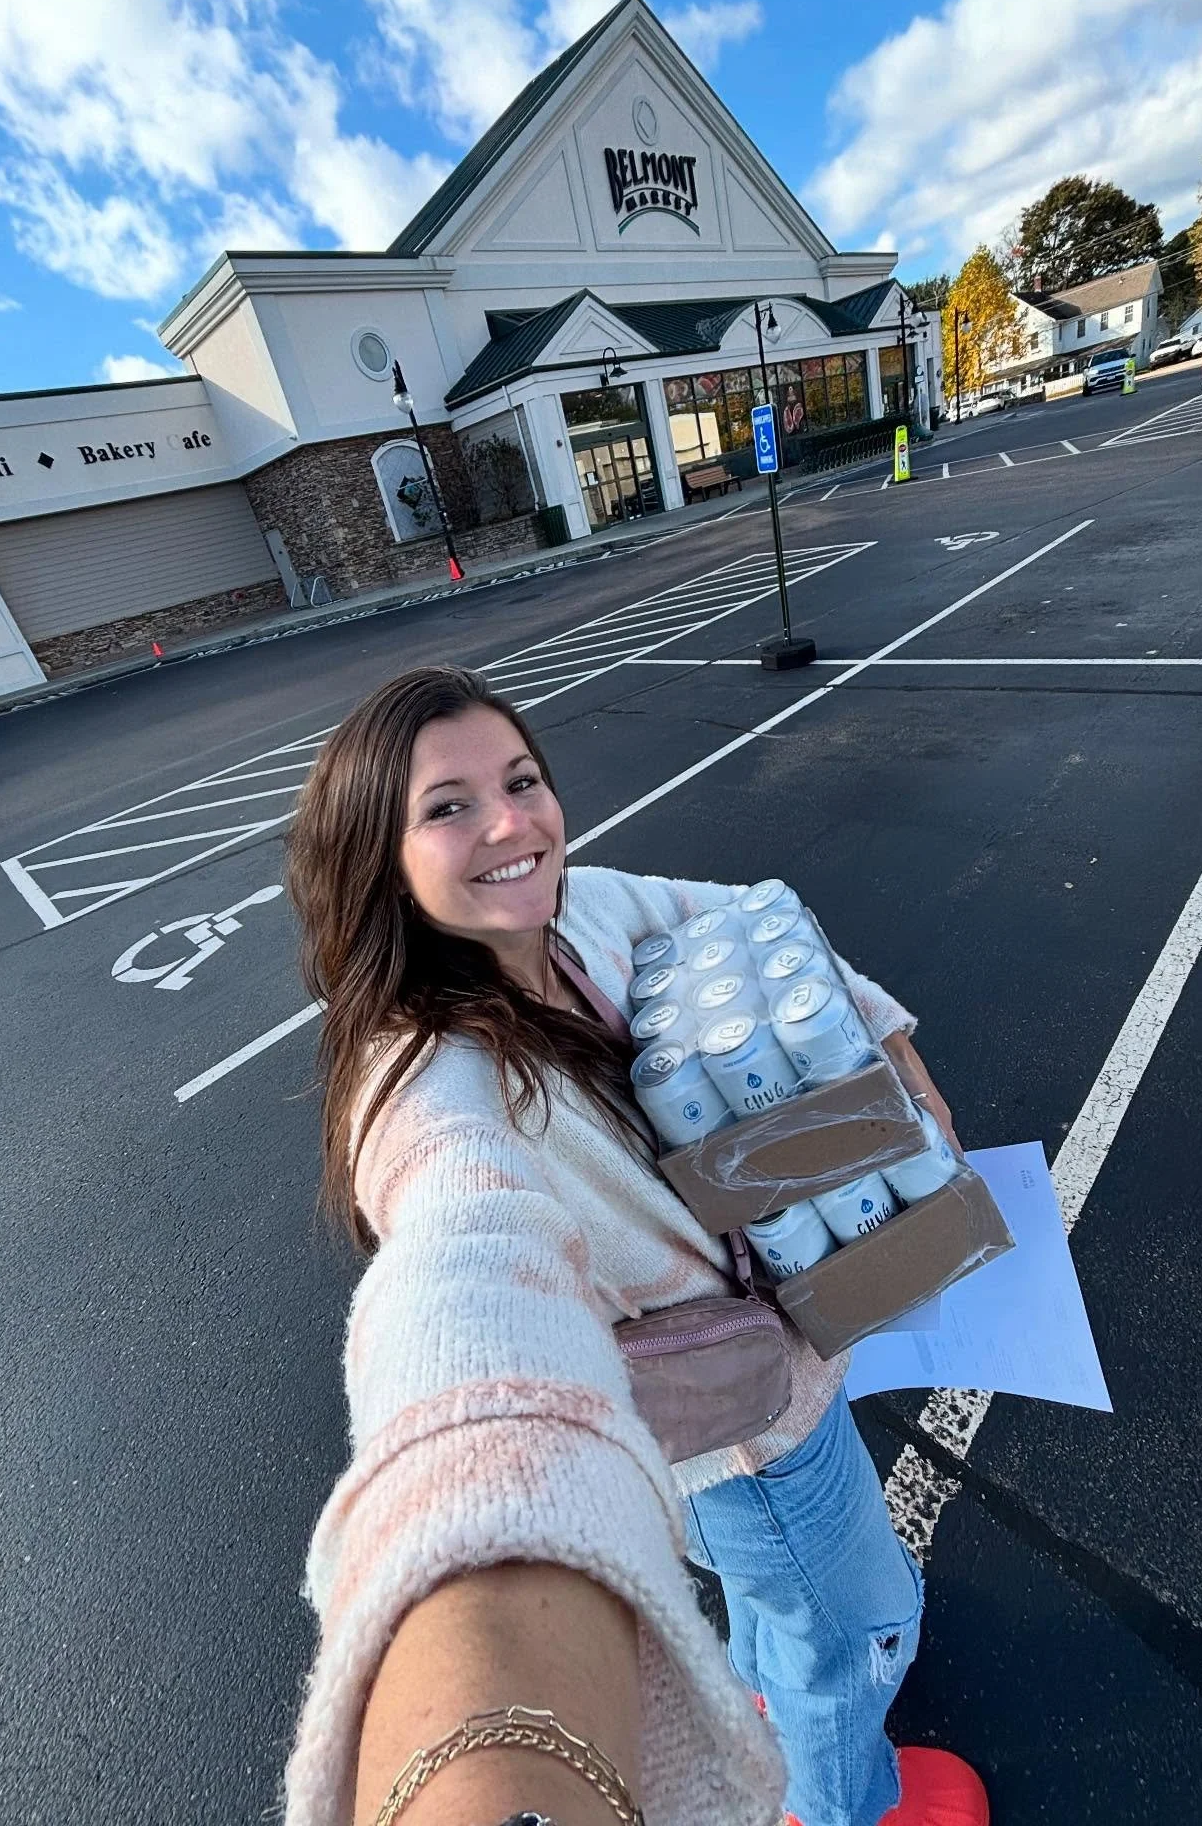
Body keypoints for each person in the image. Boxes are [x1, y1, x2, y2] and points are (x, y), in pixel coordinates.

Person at [282, 665, 988, 1826]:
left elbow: (750, 913)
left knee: (778, 1613)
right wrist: (457, 1544)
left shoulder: (583, 913)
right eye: (449, 806)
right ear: (377, 860)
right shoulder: (425, 1086)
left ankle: (778, 1706)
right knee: (858, 1631)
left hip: (772, 1373)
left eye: (521, 781)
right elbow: (454, 1269)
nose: (510, 824)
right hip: (744, 1434)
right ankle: (843, 1808)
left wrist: (890, 1045)